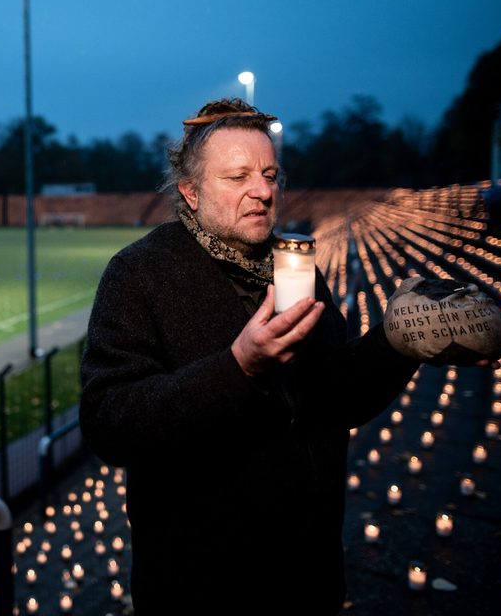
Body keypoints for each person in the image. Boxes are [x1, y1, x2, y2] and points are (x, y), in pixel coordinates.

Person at [79, 98, 431, 614]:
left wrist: (402, 340)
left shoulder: (295, 266)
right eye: (238, 176)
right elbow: (109, 422)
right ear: (191, 192)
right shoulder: (139, 275)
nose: (263, 191)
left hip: (308, 580)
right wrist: (238, 366)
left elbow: (336, 393)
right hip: (201, 591)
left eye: (270, 174)